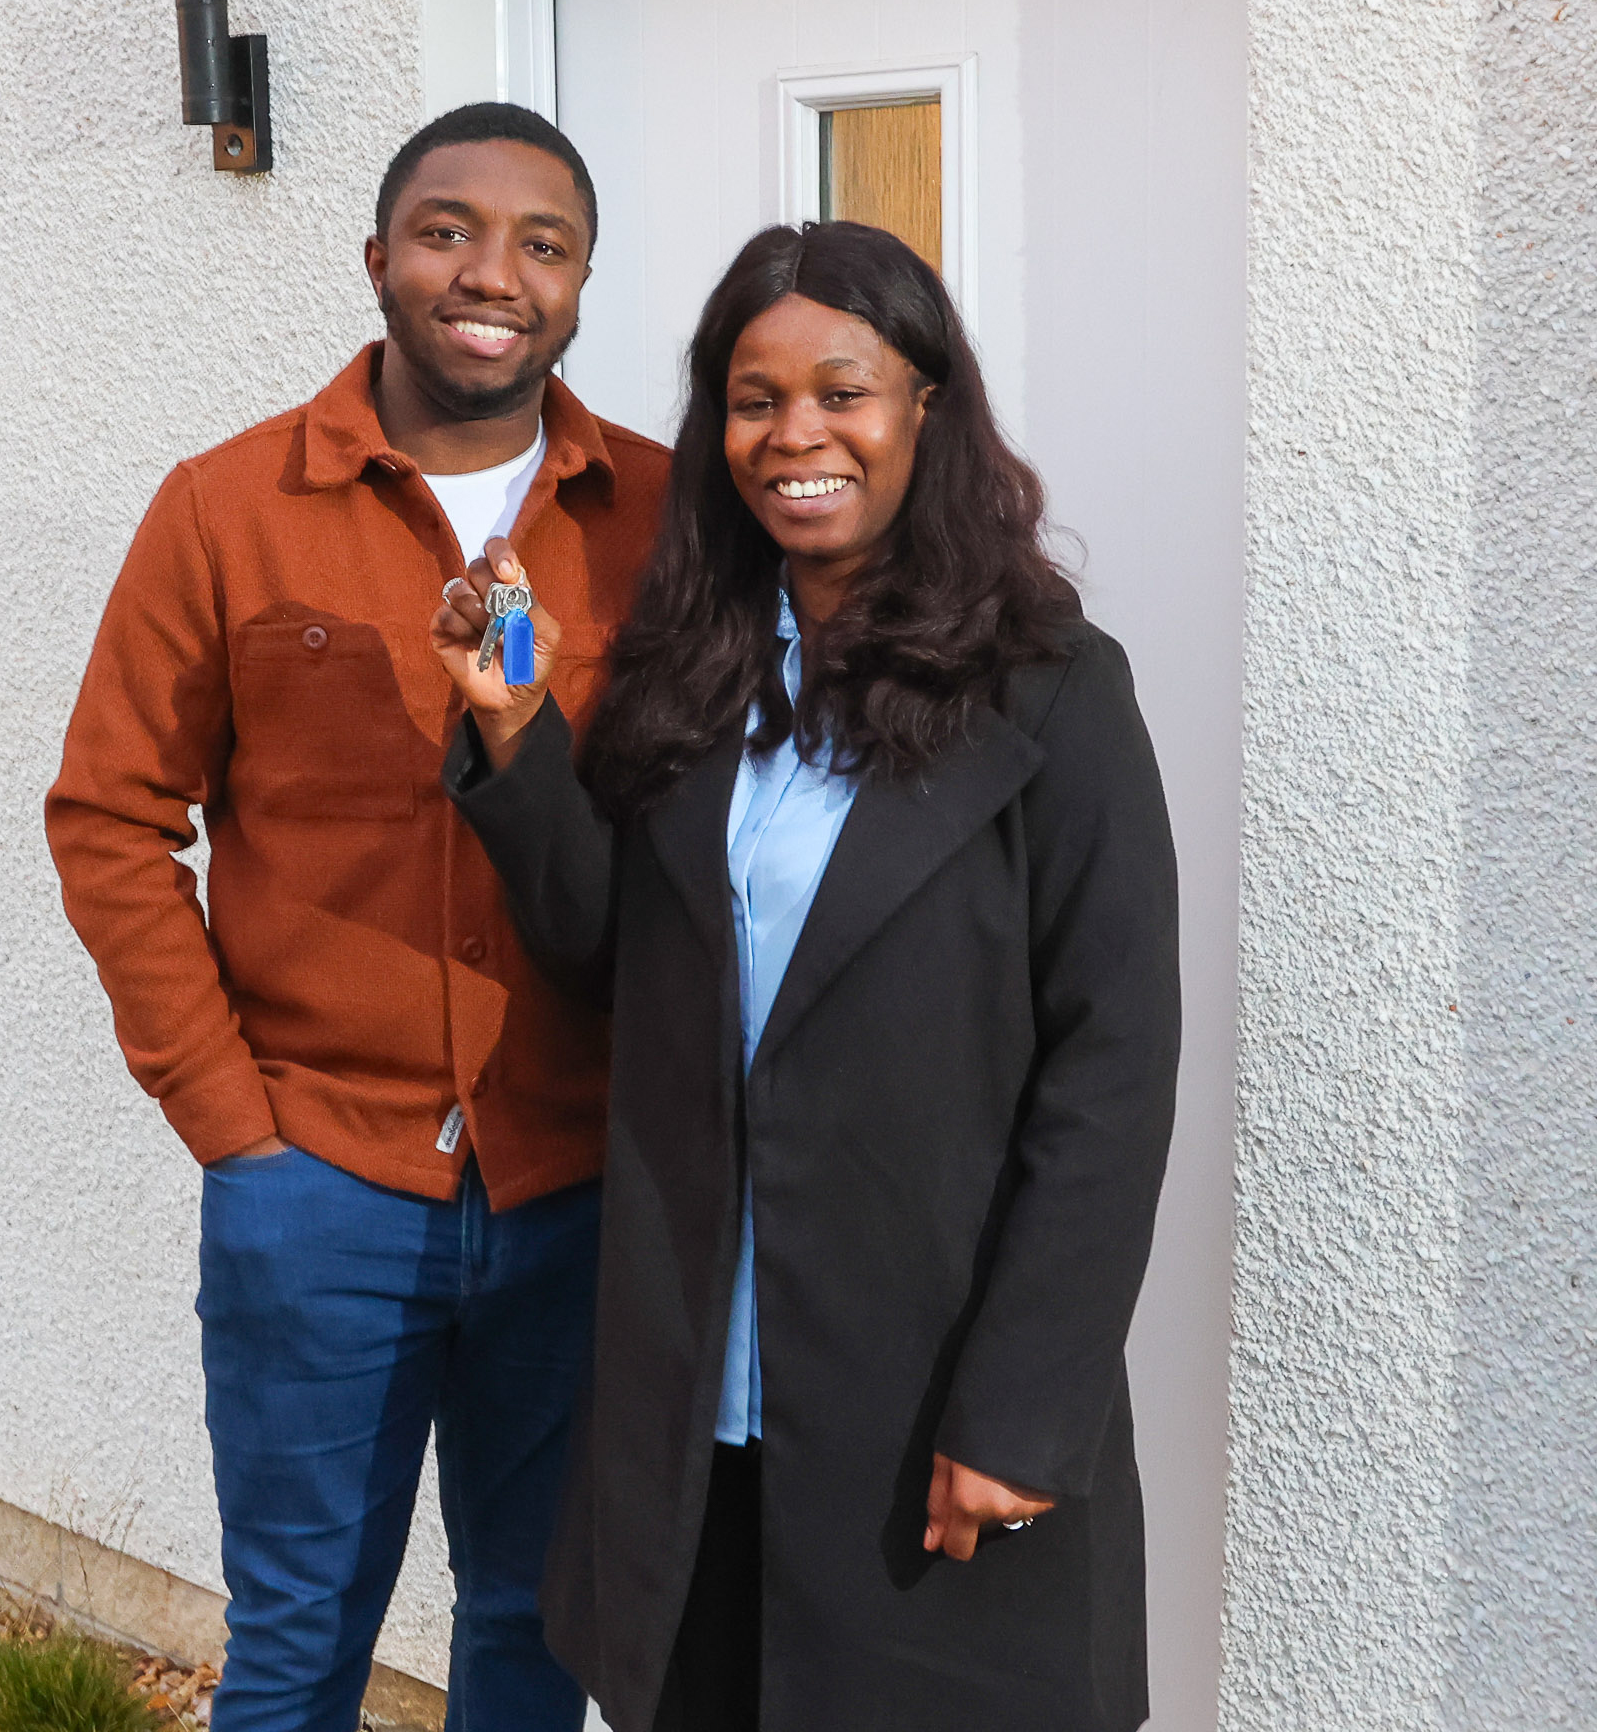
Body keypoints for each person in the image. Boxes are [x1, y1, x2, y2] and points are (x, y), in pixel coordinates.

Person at [430, 219, 1179, 1731]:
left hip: (926, 1395)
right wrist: (518, 737)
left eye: (843, 390)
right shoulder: (698, 666)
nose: (796, 435)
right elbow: (608, 961)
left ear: (927, 408)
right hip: (700, 1395)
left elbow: (1112, 1071)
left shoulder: (1052, 688)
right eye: (754, 398)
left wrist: (1026, 1409)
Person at [45, 103, 668, 1730]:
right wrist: (230, 1120)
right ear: (379, 258)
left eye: (545, 244)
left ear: (586, 286)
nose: (493, 274)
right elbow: (111, 817)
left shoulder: (660, 526)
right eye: (450, 229)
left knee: (538, 1632)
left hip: (576, 1180)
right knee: (299, 1638)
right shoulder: (227, 508)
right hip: (317, 1179)